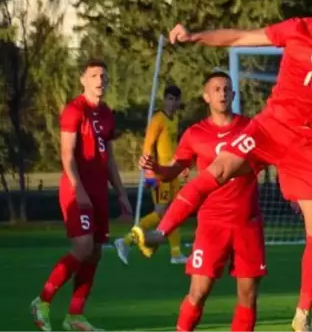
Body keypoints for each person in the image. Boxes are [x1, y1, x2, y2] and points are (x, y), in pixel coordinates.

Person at [131, 1, 312, 332]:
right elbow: (240, 38)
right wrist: (195, 36)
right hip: (269, 129)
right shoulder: (299, 29)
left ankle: (302, 314)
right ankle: (159, 232)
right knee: (218, 170)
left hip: (307, 148)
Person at [138, 71, 264, 332]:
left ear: (234, 94)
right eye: (216, 89)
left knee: (248, 296)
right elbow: (173, 170)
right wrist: (156, 169)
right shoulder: (195, 134)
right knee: (198, 291)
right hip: (212, 223)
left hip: (247, 223)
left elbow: (276, 159)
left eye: (226, 89)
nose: (222, 93)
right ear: (206, 96)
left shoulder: (250, 128)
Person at [31, 60, 133, 332]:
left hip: (99, 191)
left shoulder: (108, 114)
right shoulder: (74, 111)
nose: (100, 80)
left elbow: (109, 160)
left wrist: (121, 194)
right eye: (94, 75)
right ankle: (43, 300)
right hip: (77, 189)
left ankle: (75, 315)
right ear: (83, 80)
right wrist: (77, 188)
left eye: (104, 76)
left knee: (96, 253)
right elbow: (67, 155)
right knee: (84, 247)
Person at [114, 85, 187, 265]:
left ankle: (176, 253)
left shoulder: (175, 119)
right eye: (169, 99)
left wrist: (182, 165)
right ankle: (126, 241)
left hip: (173, 172)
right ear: (164, 100)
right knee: (160, 213)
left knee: (175, 210)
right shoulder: (157, 120)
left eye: (175, 99)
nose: (172, 103)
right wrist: (150, 174)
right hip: (161, 173)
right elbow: (148, 147)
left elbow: (174, 146)